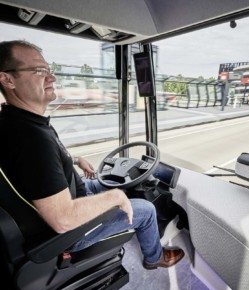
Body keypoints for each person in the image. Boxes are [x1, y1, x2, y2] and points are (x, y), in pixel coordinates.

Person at [0, 40, 184, 270]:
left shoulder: (17, 122)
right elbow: (63, 219)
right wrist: (115, 197)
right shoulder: (30, 138)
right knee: (145, 210)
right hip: (72, 231)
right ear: (7, 79)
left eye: (49, 70)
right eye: (39, 70)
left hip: (74, 192)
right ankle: (153, 258)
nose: (52, 78)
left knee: (109, 187)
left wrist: (73, 159)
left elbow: (36, 167)